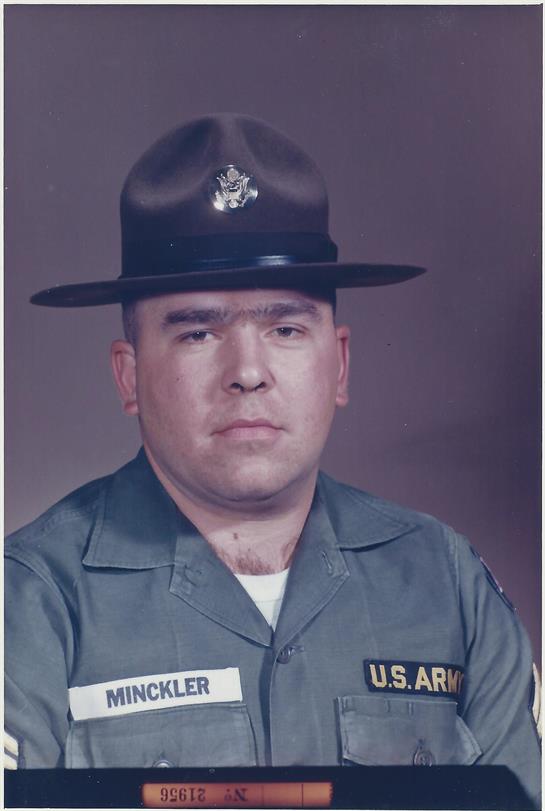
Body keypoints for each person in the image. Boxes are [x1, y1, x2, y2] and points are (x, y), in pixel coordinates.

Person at [4, 114, 540, 804]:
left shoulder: (447, 585)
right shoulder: (28, 605)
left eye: (285, 328)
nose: (248, 371)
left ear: (339, 364)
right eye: (198, 332)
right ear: (128, 376)